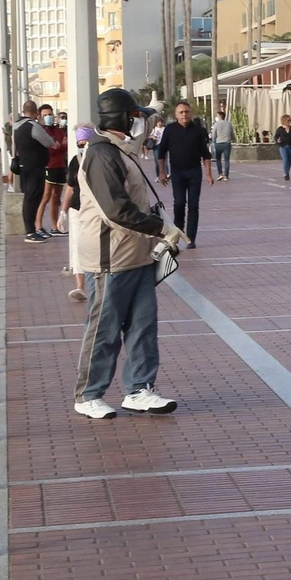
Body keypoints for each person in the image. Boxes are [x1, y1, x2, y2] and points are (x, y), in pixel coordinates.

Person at [73, 87, 183, 418]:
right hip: (110, 257)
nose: (138, 121)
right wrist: (162, 229)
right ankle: (88, 394)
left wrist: (151, 110)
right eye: (133, 115)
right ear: (121, 119)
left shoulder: (122, 148)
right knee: (105, 327)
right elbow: (116, 210)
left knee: (143, 325)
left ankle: (139, 389)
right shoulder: (101, 155)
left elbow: (145, 125)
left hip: (136, 253)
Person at [158, 101, 211, 248]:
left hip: (194, 171)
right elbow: (162, 152)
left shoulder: (199, 130)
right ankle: (178, 231)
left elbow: (205, 154)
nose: (184, 115)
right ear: (176, 115)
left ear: (191, 113)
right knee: (179, 203)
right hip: (177, 172)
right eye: (181, 112)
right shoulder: (169, 130)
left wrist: (208, 174)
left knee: (194, 205)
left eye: (186, 111)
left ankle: (191, 238)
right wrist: (162, 172)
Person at [10, 100, 57, 243]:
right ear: (36, 113)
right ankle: (30, 232)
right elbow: (49, 142)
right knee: (32, 199)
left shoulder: (16, 127)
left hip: (24, 165)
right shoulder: (33, 126)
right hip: (35, 167)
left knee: (30, 198)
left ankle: (32, 230)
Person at [63, 126, 94, 303]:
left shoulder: (99, 160)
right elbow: (69, 188)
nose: (82, 147)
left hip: (94, 210)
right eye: (79, 144)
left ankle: (94, 283)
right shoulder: (75, 161)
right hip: (77, 209)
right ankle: (80, 286)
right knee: (77, 247)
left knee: (92, 245)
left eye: (85, 143)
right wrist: (63, 211)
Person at [39, 105, 70, 234]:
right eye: (45, 115)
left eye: (50, 114)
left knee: (56, 197)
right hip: (49, 166)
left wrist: (59, 145)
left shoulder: (58, 130)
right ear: (40, 117)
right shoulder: (41, 131)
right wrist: (56, 145)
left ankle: (55, 226)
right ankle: (38, 225)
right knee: (46, 196)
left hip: (60, 165)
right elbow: (48, 147)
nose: (48, 117)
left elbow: (63, 146)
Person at [211, 107, 234, 182]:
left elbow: (213, 134)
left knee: (218, 159)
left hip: (218, 143)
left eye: (217, 116)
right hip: (227, 143)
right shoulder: (229, 123)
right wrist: (232, 139)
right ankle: (226, 176)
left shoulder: (216, 124)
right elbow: (232, 133)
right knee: (227, 160)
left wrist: (213, 141)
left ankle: (220, 174)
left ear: (220, 116)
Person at [274, 115, 291, 180]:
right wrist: (277, 140)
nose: (289, 122)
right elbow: (276, 137)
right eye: (288, 120)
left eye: (290, 120)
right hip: (283, 146)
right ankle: (285, 174)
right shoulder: (280, 129)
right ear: (284, 121)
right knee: (285, 159)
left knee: (289, 160)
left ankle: (287, 172)